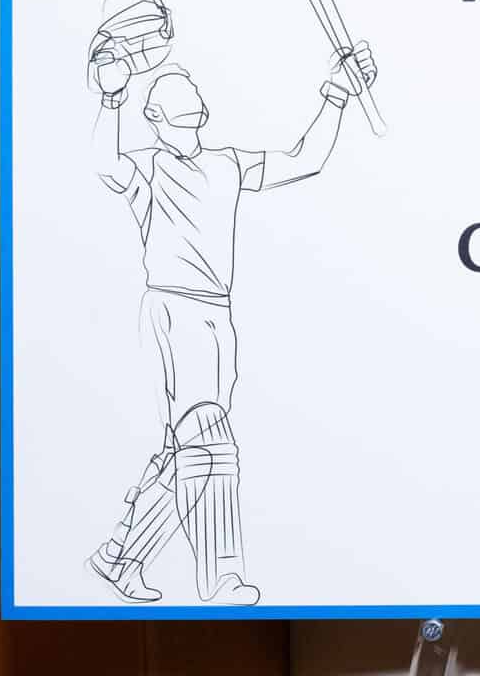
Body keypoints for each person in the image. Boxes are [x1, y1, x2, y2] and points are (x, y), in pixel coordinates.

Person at [83, 40, 378, 604]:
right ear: (155, 116)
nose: (189, 95)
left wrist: (338, 93)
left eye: (191, 91)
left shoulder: (226, 164)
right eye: (174, 94)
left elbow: (304, 159)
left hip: (217, 314)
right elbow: (104, 164)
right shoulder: (148, 167)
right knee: (210, 444)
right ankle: (221, 578)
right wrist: (112, 96)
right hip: (175, 310)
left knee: (185, 450)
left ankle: (119, 557)